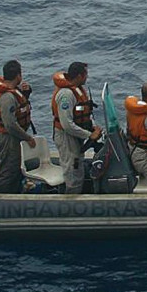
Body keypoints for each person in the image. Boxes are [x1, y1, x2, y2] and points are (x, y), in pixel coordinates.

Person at [51, 62, 102, 194]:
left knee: (77, 167)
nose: (87, 77)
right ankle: (70, 200)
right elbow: (67, 124)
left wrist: (92, 127)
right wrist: (89, 135)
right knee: (72, 169)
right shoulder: (66, 95)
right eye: (85, 74)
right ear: (79, 76)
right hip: (66, 136)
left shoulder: (78, 90)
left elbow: (82, 112)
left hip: (76, 135)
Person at [0, 60, 37, 193]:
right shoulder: (7, 97)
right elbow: (10, 125)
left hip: (14, 137)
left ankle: (15, 192)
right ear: (18, 76)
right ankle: (4, 198)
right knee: (8, 171)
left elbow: (19, 108)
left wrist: (25, 95)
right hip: (8, 138)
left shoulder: (14, 91)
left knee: (15, 168)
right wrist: (28, 138)